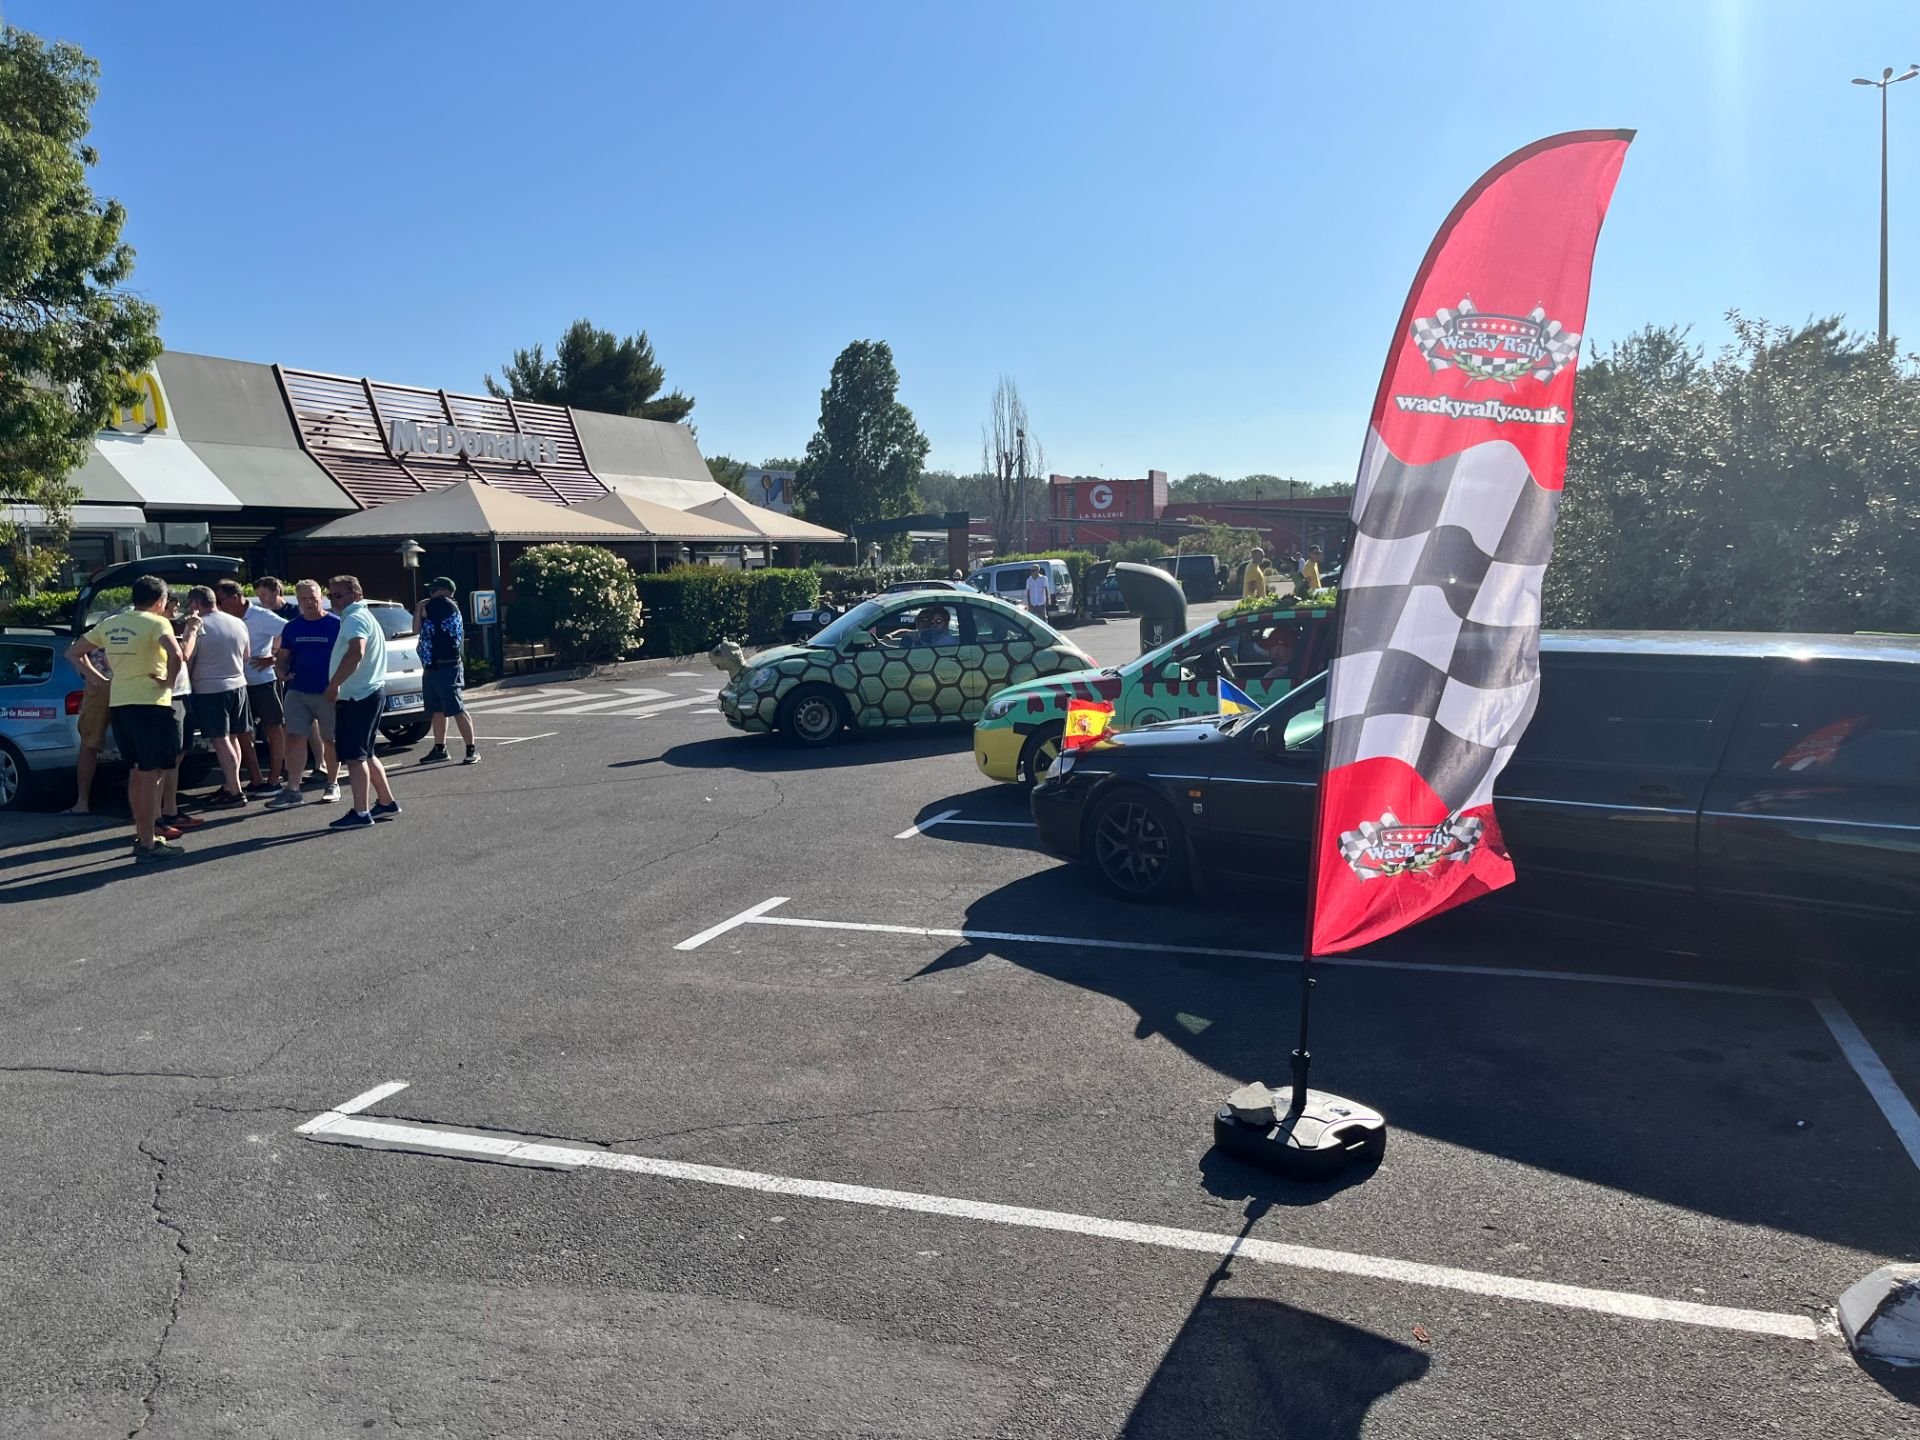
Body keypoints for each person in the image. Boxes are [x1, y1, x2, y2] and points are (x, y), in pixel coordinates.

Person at [66, 575, 187, 862]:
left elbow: (73, 652)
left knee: (137, 771)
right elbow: (177, 654)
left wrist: (101, 680)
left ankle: (144, 835)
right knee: (151, 774)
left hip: (120, 703)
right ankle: (147, 843)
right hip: (151, 704)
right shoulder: (158, 622)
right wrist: (169, 682)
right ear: (160, 601)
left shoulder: (111, 623)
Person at [322, 574, 398, 829]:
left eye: (338, 594)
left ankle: (361, 812)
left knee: (355, 757)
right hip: (369, 692)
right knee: (366, 753)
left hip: (358, 696)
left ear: (356, 594)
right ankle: (386, 801)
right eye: (331, 595)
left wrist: (334, 685)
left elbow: (357, 651)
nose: (333, 600)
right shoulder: (362, 615)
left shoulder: (354, 617)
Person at [268, 579, 342, 809]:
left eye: (313, 598)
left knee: (330, 739)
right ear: (297, 601)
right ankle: (293, 789)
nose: (309, 602)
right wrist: (280, 670)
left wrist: (339, 684)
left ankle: (332, 783)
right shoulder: (293, 627)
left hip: (328, 691)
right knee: (294, 738)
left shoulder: (336, 624)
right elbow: (284, 655)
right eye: (304, 599)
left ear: (322, 598)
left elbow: (350, 656)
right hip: (298, 690)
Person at [183, 584, 253, 809]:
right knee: (233, 738)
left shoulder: (197, 627)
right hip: (238, 684)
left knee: (221, 740)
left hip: (210, 689)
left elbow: (189, 659)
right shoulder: (237, 622)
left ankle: (235, 791)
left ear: (195, 604)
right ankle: (231, 785)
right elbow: (247, 655)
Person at [218, 578, 286, 794]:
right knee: (242, 733)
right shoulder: (223, 617)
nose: (218, 606)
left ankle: (275, 779)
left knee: (273, 728)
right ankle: (256, 778)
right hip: (237, 683)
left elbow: (291, 631)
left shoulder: (261, 616)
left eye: (222, 601)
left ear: (236, 597)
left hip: (263, 681)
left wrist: (274, 658)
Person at [413, 576, 477, 765]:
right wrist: (419, 608)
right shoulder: (445, 605)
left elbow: (416, 627)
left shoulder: (441, 604)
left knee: (456, 707)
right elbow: (419, 628)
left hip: (445, 665)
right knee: (437, 709)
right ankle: (440, 748)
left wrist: (419, 607)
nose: (429, 594)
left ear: (440, 590)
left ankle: (471, 749)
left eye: (432, 589)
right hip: (434, 664)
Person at [64, 646, 111, 816]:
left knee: (136, 744)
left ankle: (143, 807)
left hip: (127, 686)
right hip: (101, 687)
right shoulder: (106, 624)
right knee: (89, 744)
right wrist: (97, 677)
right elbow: (74, 651)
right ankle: (82, 802)